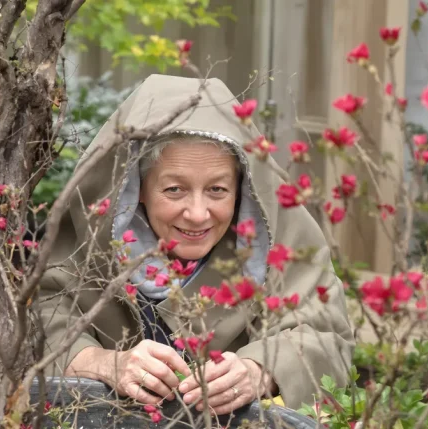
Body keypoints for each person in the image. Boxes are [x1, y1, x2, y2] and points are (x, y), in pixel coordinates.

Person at [40, 74, 354, 414]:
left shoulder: (283, 239)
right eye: (174, 189)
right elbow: (36, 318)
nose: (197, 214)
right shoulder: (87, 242)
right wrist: (100, 362)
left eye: (218, 190)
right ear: (137, 188)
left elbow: (329, 337)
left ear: (242, 189)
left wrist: (258, 370)